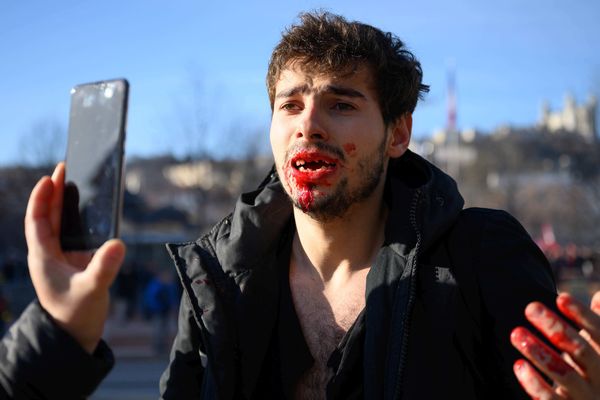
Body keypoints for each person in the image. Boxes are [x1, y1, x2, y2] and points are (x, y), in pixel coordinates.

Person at [1, 11, 599, 400]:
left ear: (397, 134)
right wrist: (56, 333)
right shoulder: (218, 283)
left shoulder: (480, 256)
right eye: (290, 105)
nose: (307, 124)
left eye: (341, 104)